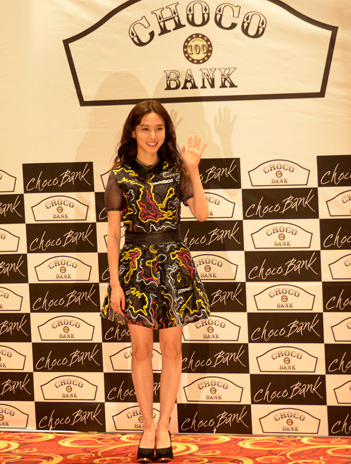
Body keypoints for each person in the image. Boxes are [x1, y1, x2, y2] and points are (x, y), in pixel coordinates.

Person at [102, 100, 211, 463]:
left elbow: (201, 215)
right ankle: (147, 427)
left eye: (159, 128)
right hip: (135, 269)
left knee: (173, 350)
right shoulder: (119, 176)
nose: (152, 135)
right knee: (140, 351)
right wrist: (115, 285)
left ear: (167, 132)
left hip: (174, 266)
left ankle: (165, 427)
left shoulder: (176, 170)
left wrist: (193, 169)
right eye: (145, 128)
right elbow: (113, 236)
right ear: (133, 132)